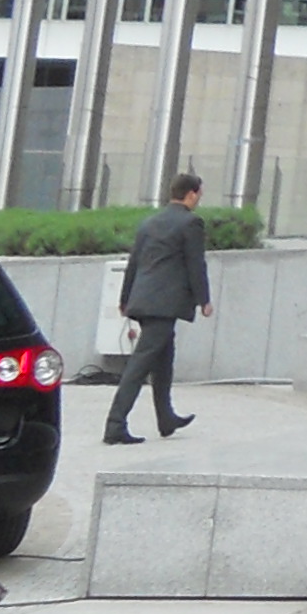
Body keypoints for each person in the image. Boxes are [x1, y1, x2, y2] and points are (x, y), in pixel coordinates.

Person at [103, 172, 211, 445]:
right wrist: (204, 300)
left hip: (143, 300)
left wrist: (125, 299)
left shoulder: (149, 222)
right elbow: (195, 264)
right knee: (140, 365)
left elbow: (134, 262)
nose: (199, 199)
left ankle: (166, 418)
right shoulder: (191, 223)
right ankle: (115, 424)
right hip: (165, 304)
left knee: (164, 360)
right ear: (191, 194)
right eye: (199, 194)